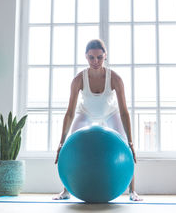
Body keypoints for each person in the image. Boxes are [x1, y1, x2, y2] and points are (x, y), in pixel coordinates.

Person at [53, 39, 142, 201]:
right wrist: (61, 143)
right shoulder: (79, 79)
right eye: (92, 57)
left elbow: (123, 112)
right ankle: (65, 190)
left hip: (110, 112)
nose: (95, 61)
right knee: (70, 146)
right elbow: (70, 113)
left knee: (126, 148)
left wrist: (131, 143)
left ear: (105, 56)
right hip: (85, 112)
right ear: (86, 57)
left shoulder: (114, 78)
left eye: (99, 57)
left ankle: (132, 191)